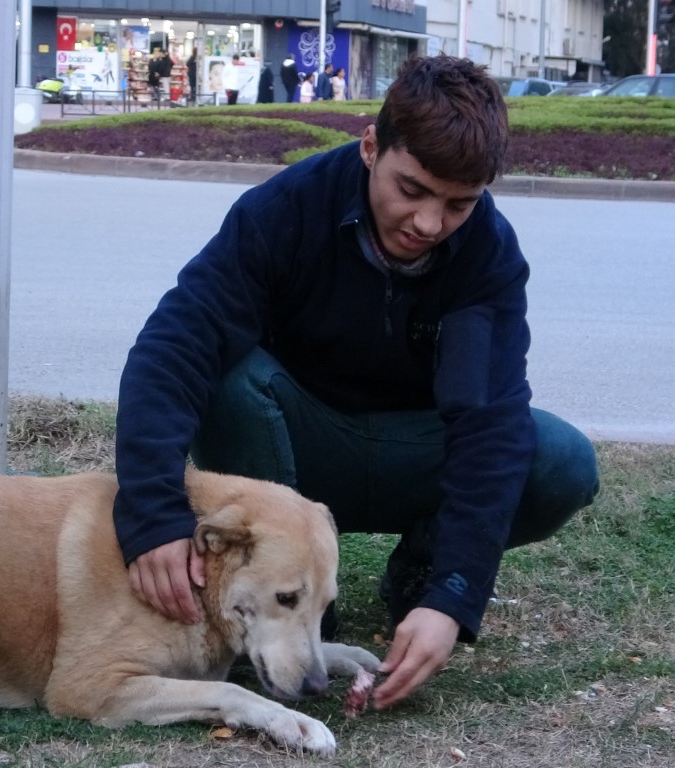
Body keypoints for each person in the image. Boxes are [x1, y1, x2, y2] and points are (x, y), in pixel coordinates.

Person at [112, 55, 599, 711]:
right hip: (295, 447)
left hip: (413, 452)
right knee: (230, 376)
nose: (428, 223)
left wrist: (452, 595)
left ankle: (420, 571)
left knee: (557, 460)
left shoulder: (488, 253)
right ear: (371, 147)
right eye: (412, 190)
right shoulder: (282, 211)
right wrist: (151, 516)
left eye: (458, 203)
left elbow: (487, 426)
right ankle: (297, 604)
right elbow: (173, 348)